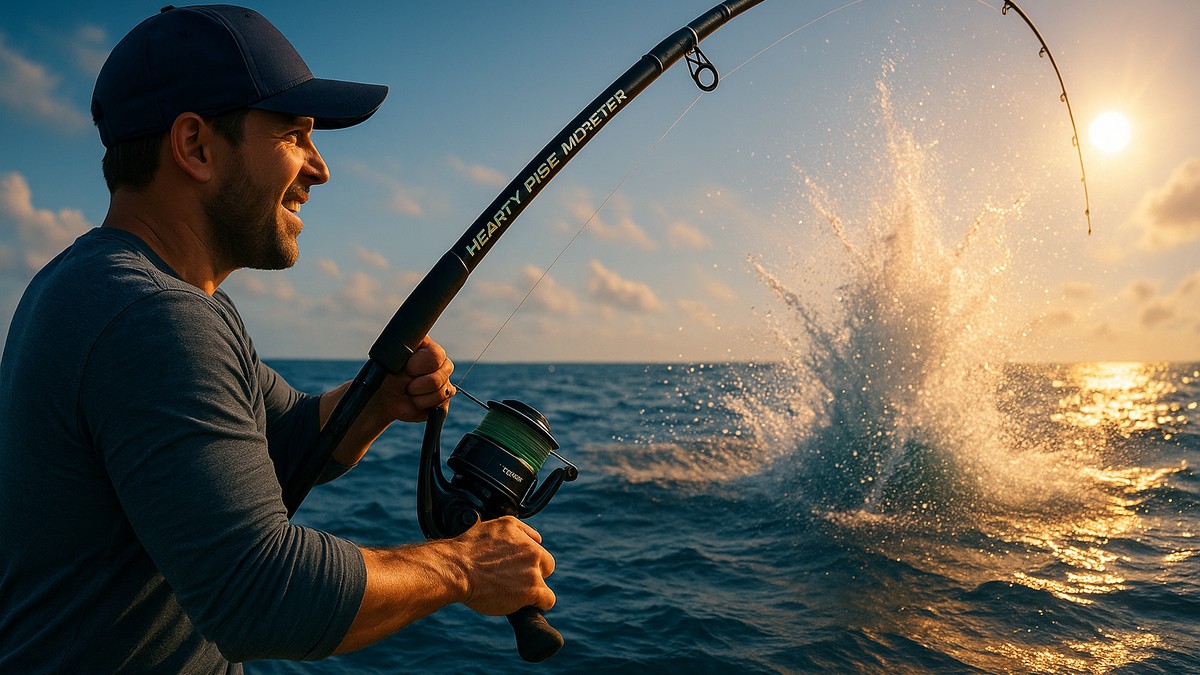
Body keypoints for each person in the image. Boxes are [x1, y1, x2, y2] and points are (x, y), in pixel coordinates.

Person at [0, 5, 555, 672]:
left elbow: (286, 437)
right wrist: (464, 566)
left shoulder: (97, 285)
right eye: (294, 135)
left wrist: (376, 400)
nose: (319, 169)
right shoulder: (151, 316)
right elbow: (258, 596)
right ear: (196, 147)